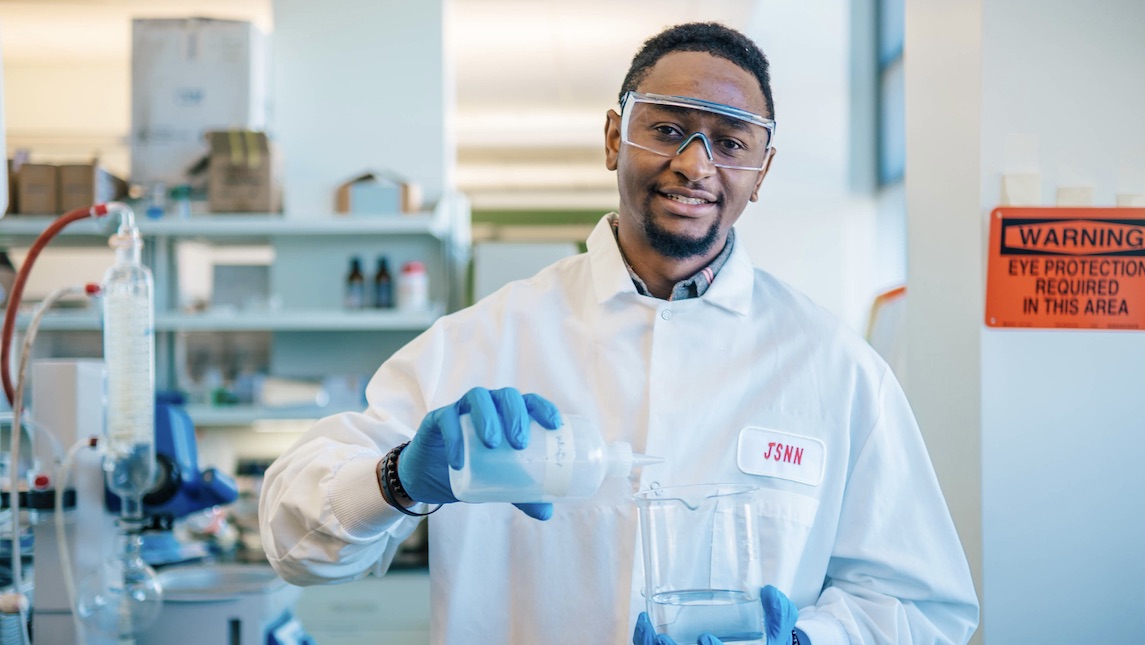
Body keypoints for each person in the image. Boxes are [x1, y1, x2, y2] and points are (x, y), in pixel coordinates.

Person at [259, 22, 979, 645]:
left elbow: (921, 605)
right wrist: (397, 477)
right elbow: (292, 541)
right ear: (613, 138)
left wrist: (801, 637)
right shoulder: (478, 341)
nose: (694, 164)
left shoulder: (836, 368)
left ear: (760, 173)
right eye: (666, 129)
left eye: (729, 143)